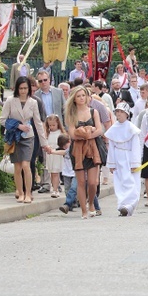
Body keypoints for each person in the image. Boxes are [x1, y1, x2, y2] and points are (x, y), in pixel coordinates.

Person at [0, 77, 49, 203]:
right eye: (21, 88)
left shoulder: (33, 102)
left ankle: (28, 193)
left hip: (28, 137)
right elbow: (2, 119)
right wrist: (17, 125)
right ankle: (20, 192)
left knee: (26, 165)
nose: (23, 91)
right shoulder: (10, 101)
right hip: (14, 137)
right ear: (17, 88)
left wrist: (44, 143)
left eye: (25, 88)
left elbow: (38, 122)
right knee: (17, 167)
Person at [64, 85, 104, 218]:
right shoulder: (71, 114)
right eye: (78, 96)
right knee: (81, 182)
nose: (81, 98)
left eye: (83, 95)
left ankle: (91, 202)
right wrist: (87, 131)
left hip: (93, 148)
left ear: (87, 97)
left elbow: (99, 130)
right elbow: (72, 135)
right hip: (77, 149)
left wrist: (88, 135)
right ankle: (83, 211)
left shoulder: (94, 112)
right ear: (74, 99)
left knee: (93, 182)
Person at [104, 103, 142, 216]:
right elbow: (111, 147)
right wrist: (111, 163)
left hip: (129, 157)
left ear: (126, 114)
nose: (119, 114)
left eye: (121, 112)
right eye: (117, 112)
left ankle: (130, 205)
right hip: (118, 157)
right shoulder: (113, 129)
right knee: (120, 181)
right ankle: (122, 204)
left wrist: (135, 162)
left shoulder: (131, 128)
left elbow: (135, 146)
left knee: (131, 181)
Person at [44, 114, 64, 197]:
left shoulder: (60, 133)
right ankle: (54, 187)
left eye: (53, 125)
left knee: (55, 172)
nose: (51, 127)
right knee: (52, 172)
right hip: (50, 155)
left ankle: (55, 190)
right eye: (50, 125)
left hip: (57, 154)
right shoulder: (47, 133)